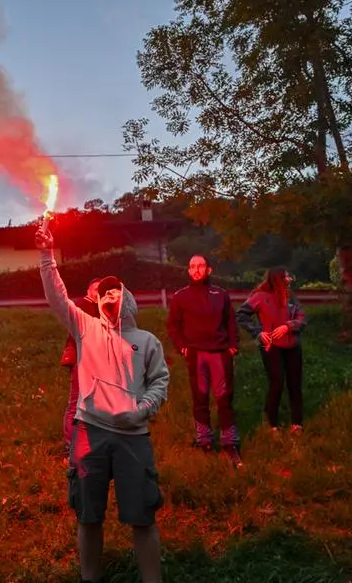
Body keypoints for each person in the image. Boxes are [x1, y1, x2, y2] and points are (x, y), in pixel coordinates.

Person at [37, 227, 169, 583]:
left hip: (133, 437)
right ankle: (89, 578)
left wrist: (142, 410)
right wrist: (48, 255)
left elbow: (160, 381)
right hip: (89, 433)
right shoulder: (86, 328)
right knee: (88, 516)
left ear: (126, 298)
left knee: (143, 517)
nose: (109, 293)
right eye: (104, 290)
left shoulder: (146, 341)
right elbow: (57, 297)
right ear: (96, 301)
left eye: (116, 288)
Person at [166, 255, 241, 467]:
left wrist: (233, 345)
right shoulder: (180, 297)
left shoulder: (221, 294)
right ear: (189, 271)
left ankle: (230, 444)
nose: (196, 269)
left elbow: (230, 321)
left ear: (209, 270)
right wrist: (182, 346)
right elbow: (173, 326)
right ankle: (205, 441)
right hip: (196, 355)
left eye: (200, 266)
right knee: (200, 399)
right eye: (192, 266)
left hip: (219, 353)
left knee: (224, 399)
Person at [236, 267, 307, 433]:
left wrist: (288, 326)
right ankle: (271, 424)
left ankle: (297, 423)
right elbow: (242, 315)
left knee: (295, 384)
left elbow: (302, 318)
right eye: (287, 276)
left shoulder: (291, 297)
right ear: (278, 279)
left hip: (293, 346)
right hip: (271, 346)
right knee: (277, 383)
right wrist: (258, 332)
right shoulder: (260, 297)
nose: (290, 279)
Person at [59, 277, 102, 453]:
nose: (98, 293)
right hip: (81, 359)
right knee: (76, 402)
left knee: (91, 402)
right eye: (95, 289)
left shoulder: (100, 309)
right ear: (88, 291)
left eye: (101, 290)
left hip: (95, 361)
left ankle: (86, 441)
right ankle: (70, 444)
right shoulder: (83, 306)